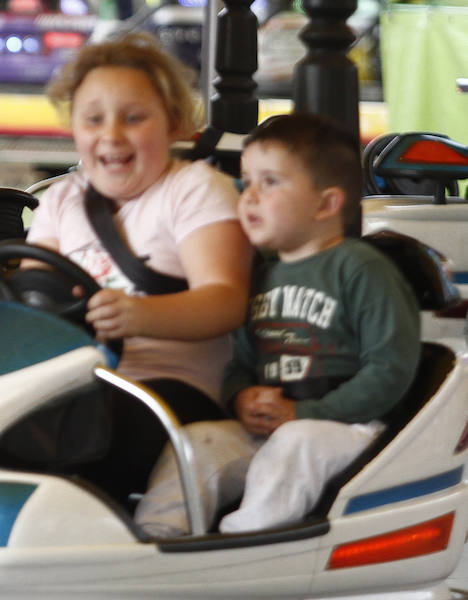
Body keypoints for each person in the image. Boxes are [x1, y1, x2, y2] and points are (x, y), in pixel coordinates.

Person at [0, 32, 252, 498]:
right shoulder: (63, 200)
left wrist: (141, 315)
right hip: (75, 385)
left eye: (133, 118)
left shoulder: (194, 188)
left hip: (168, 388)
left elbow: (226, 301)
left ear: (174, 123)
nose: (111, 135)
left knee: (54, 435)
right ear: (74, 126)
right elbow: (38, 294)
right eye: (94, 119)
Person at [134, 112, 422, 538]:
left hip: (350, 427)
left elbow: (390, 368)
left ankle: (244, 547)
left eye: (269, 182)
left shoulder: (360, 269)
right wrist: (242, 397)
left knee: (297, 441)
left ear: (326, 204)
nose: (248, 197)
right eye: (246, 181)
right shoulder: (263, 276)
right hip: (275, 424)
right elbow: (241, 363)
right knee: (198, 442)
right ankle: (157, 542)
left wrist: (307, 412)